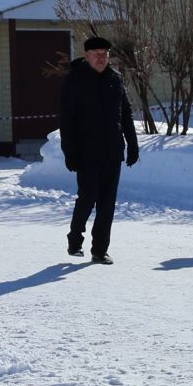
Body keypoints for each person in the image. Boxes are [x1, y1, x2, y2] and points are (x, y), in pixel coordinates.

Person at [59, 35, 140, 265]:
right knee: (87, 197)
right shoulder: (74, 80)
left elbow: (125, 114)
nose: (101, 59)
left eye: (105, 55)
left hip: (112, 151)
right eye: (96, 55)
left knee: (107, 202)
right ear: (86, 56)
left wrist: (132, 145)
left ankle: (99, 250)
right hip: (86, 153)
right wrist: (70, 153)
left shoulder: (115, 79)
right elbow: (67, 120)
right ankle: (75, 239)